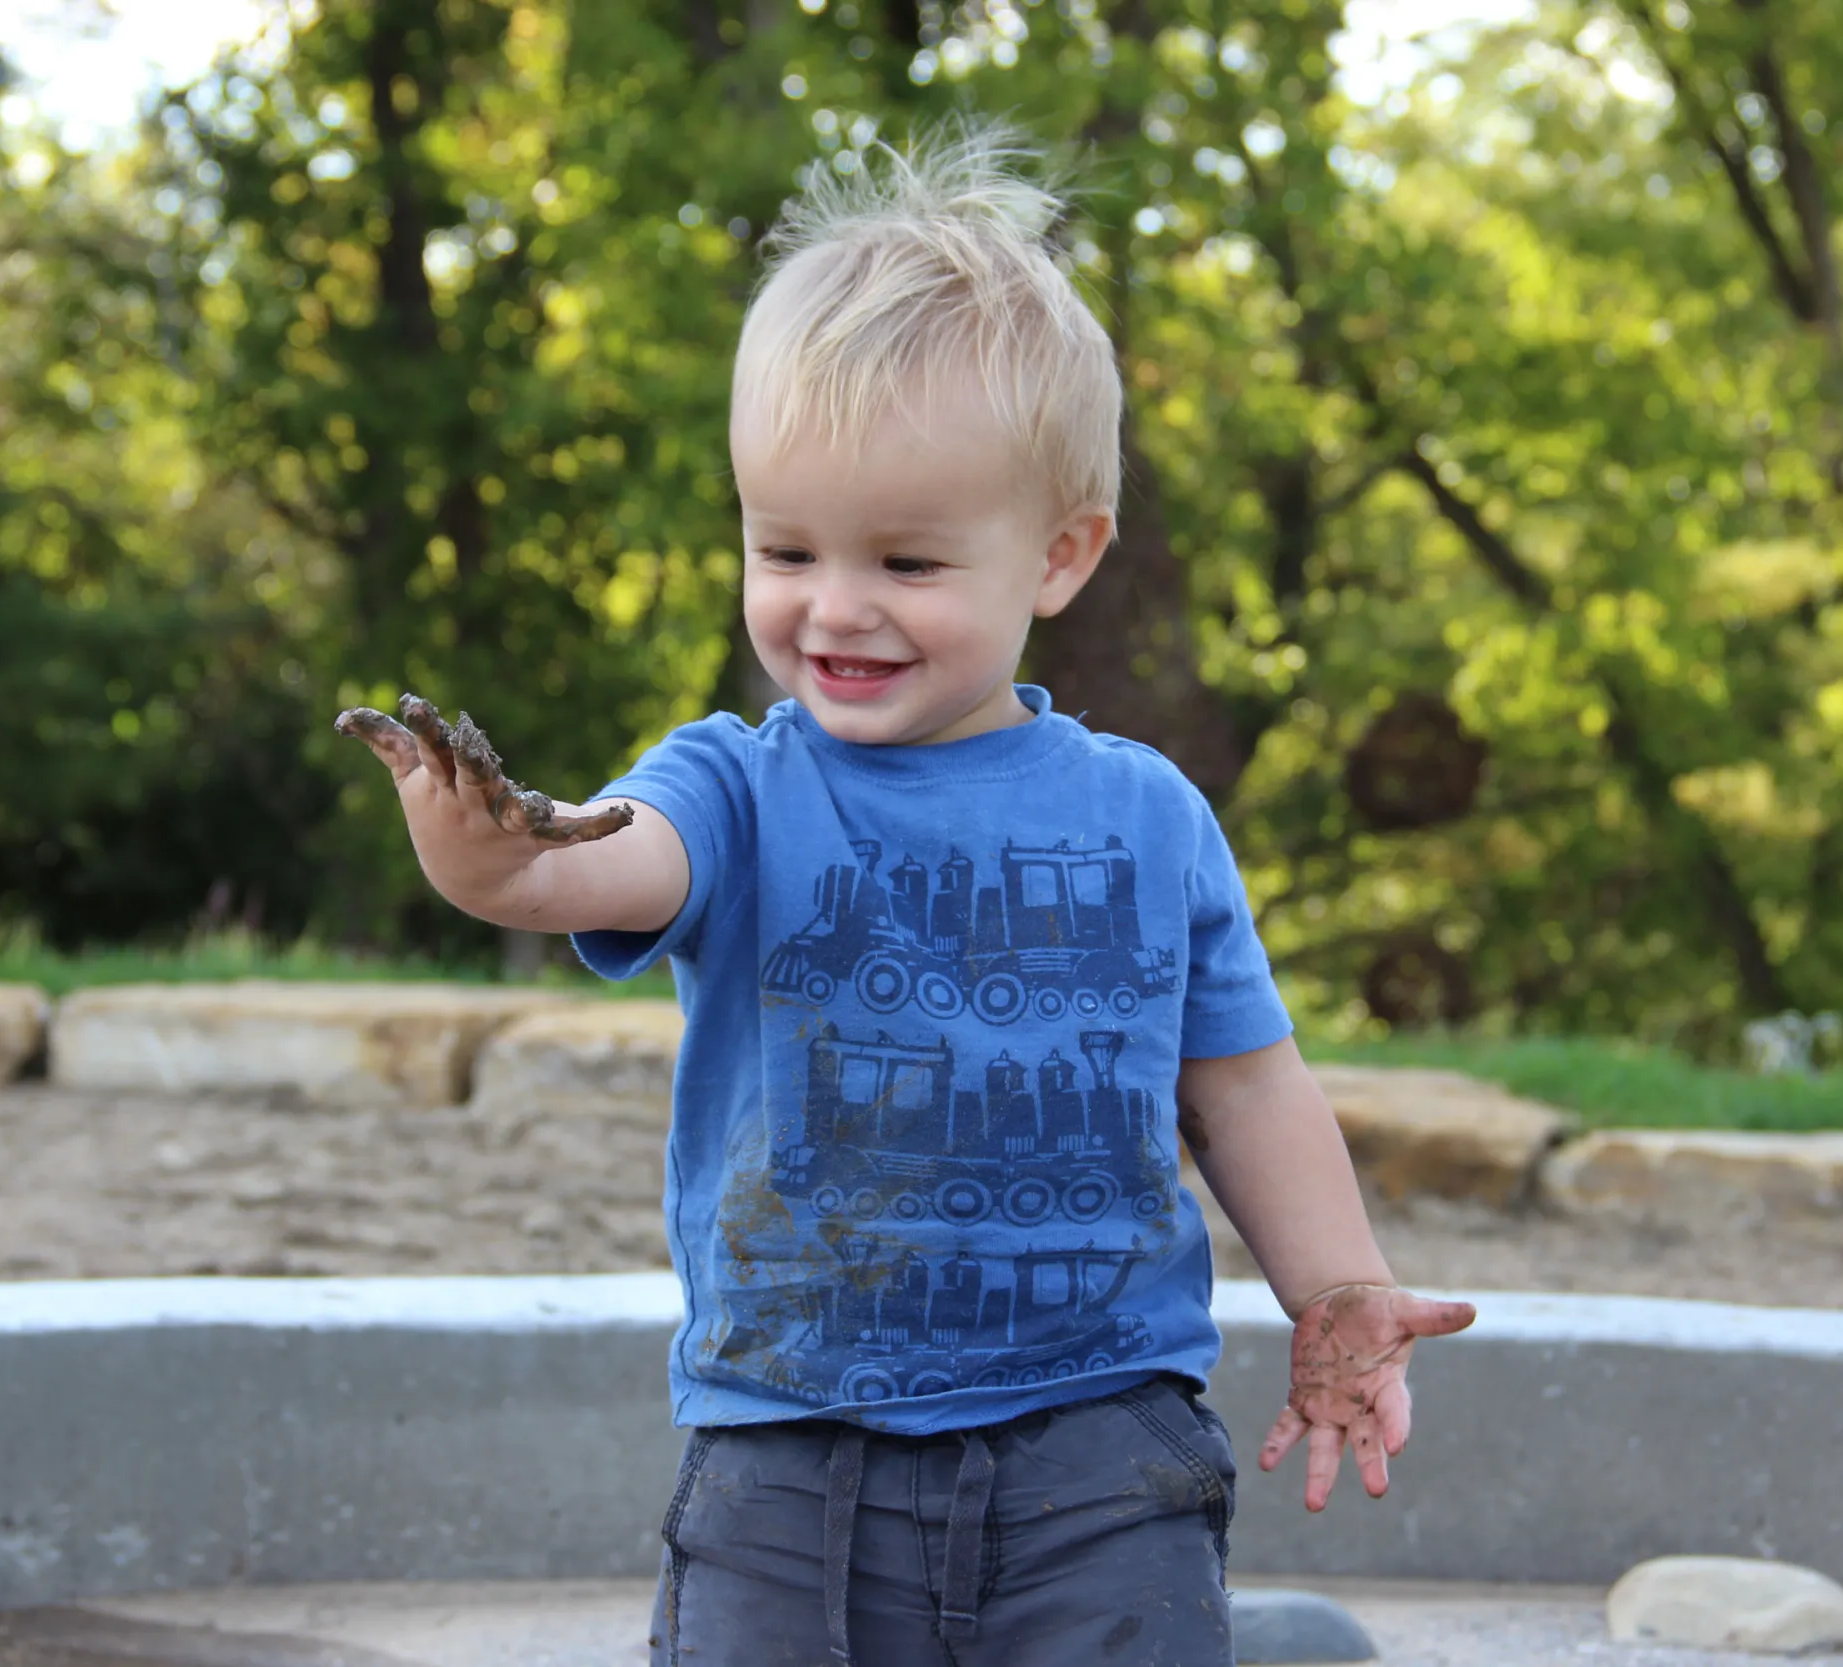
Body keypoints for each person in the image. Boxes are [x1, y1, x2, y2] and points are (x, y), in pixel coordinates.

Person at [338, 122, 1476, 1667]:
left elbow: (1248, 1085)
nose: (835, 604)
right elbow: (606, 861)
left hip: (1100, 1446)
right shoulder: (738, 785)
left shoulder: (1147, 815)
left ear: (1060, 558)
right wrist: (496, 852)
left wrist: (1339, 1286)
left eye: (911, 561)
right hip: (789, 1448)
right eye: (786, 545)